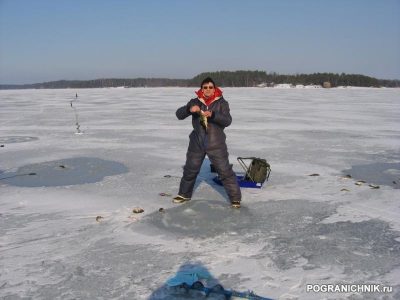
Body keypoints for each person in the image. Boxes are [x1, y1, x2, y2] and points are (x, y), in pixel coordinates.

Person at [173, 77, 242, 208]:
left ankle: (235, 199)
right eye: (205, 87)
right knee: (190, 170)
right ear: (202, 89)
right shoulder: (195, 101)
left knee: (225, 171)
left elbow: (227, 120)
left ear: (214, 88)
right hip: (196, 143)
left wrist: (213, 115)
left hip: (216, 144)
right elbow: (179, 114)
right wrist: (189, 110)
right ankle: (184, 194)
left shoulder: (222, 103)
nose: (208, 90)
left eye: (210, 87)